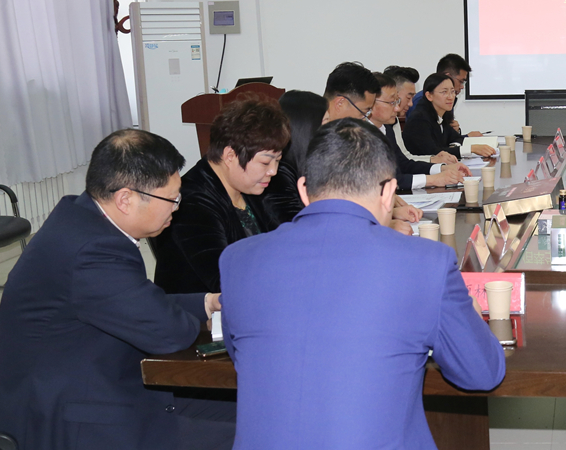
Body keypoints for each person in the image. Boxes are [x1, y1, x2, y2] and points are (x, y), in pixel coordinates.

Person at [220, 118, 506, 448]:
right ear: (389, 192)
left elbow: (242, 357)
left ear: (303, 190)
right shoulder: (428, 263)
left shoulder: (237, 260)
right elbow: (482, 373)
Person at [0, 129, 229, 450]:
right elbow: (169, 333)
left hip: (97, 386)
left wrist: (206, 303)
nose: (177, 207)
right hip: (74, 421)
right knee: (253, 431)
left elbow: (136, 302)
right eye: (172, 198)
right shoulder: (94, 250)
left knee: (250, 409)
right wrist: (201, 322)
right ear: (125, 199)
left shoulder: (81, 217)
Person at [152, 96, 289, 294]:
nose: (273, 171)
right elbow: (224, 279)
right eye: (265, 162)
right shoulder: (191, 202)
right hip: (202, 310)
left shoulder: (249, 185)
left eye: (278, 160)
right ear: (230, 156)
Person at [316, 61, 427, 233]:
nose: (365, 118)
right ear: (340, 103)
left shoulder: (344, 133)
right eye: (364, 111)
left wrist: (389, 213)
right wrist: (383, 224)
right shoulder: (313, 136)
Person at [370, 71, 469, 190]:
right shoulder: (361, 135)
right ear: (370, 102)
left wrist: (442, 168)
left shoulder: (386, 128)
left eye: (397, 101)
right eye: (392, 102)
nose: (397, 108)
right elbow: (387, 180)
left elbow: (403, 164)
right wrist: (434, 179)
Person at [264, 90, 327, 224]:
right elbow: (298, 225)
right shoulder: (277, 178)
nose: (331, 129)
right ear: (307, 127)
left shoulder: (303, 166)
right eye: (326, 122)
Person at [403, 72, 496, 158]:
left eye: (452, 92)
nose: (451, 97)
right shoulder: (419, 119)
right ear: (429, 96)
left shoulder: (442, 115)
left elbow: (456, 138)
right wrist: (470, 149)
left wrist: (455, 145)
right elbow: (433, 152)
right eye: (444, 92)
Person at [384, 65, 457, 164]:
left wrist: (433, 160)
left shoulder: (394, 121)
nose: (411, 104)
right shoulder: (419, 118)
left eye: (452, 92)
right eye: (408, 98)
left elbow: (406, 157)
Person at [408, 53, 473, 133]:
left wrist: (456, 131)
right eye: (461, 81)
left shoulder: (448, 100)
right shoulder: (420, 101)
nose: (462, 86)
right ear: (448, 77)